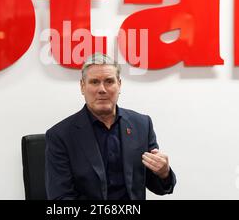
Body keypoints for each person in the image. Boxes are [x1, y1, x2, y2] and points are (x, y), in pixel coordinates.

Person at [45, 53, 176, 200]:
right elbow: (60, 197)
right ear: (82, 86)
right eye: (94, 82)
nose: (102, 89)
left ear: (119, 85)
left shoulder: (142, 125)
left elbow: (159, 187)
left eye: (109, 81)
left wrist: (164, 172)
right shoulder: (60, 135)